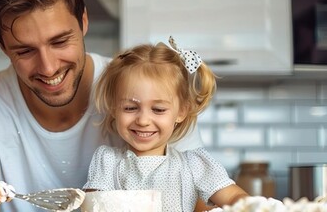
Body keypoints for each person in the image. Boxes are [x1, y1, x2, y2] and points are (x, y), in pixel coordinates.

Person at [0, 0, 123, 211]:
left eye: (59, 42)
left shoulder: (137, 94)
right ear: (4, 49)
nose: (49, 68)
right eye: (25, 51)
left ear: (83, 21)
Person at [84, 38, 249, 211]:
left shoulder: (194, 165)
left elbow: (235, 197)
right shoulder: (107, 162)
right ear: (114, 108)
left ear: (181, 112)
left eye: (158, 109)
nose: (143, 120)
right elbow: (93, 207)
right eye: (130, 107)